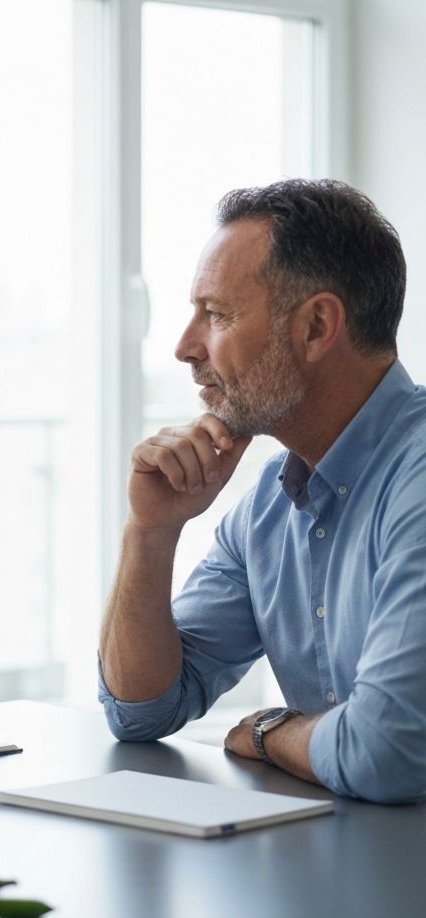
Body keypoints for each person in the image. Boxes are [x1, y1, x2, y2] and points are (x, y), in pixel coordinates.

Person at [97, 178, 426, 804]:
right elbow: (139, 710)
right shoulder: (268, 510)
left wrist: (271, 730)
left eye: (216, 314)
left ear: (316, 326)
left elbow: (387, 751)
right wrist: (150, 533)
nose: (185, 346)